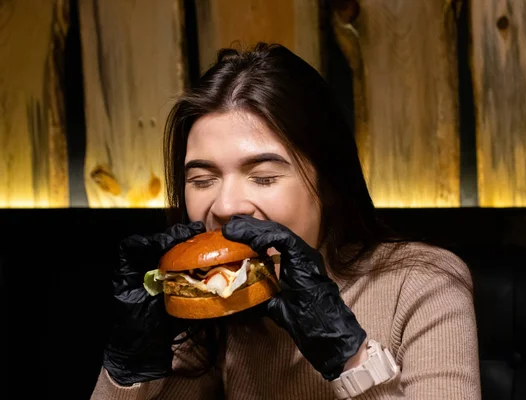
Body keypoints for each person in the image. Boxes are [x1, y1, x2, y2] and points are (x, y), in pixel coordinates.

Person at [90, 42, 480, 399]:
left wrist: (350, 358)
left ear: (327, 182)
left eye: (263, 177)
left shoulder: (423, 284)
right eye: (202, 180)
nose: (225, 206)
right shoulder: (208, 303)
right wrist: (129, 369)